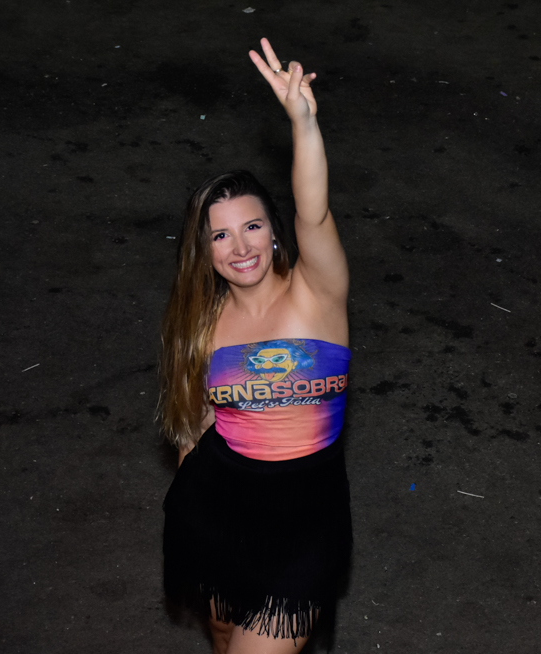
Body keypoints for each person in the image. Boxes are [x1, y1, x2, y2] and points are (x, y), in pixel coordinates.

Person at [159, 38, 351, 654]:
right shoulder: (202, 324)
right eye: (220, 235)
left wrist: (303, 123)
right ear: (204, 250)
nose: (240, 247)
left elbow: (314, 213)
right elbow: (194, 429)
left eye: (252, 226)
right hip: (218, 513)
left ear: (273, 232)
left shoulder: (315, 297)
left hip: (305, 527)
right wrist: (192, 512)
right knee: (222, 634)